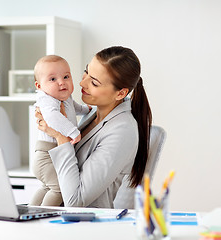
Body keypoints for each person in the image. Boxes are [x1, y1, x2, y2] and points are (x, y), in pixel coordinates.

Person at [35, 46, 152, 208]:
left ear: (120, 93)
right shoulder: (93, 113)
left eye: (94, 82)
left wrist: (60, 137)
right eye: (86, 72)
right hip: (56, 216)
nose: (82, 82)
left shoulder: (122, 131)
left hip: (83, 225)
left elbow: (75, 201)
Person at [30, 55, 91, 206]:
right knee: (59, 188)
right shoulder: (47, 100)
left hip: (53, 154)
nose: (61, 82)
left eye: (66, 76)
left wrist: (86, 110)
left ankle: (32, 210)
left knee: (47, 187)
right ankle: (44, 215)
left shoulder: (65, 97)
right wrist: (72, 131)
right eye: (52, 79)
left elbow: (75, 107)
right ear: (39, 86)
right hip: (46, 156)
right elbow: (52, 118)